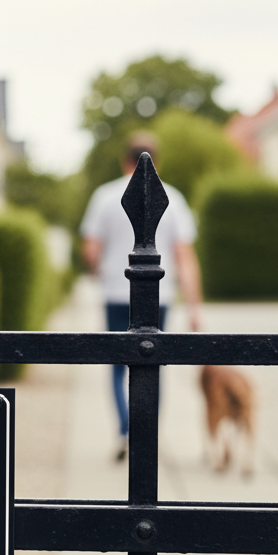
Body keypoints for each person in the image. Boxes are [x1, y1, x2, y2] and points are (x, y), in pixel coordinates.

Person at [81, 133, 202, 461]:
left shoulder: (105, 195)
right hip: (159, 295)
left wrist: (101, 270)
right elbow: (185, 256)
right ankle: (145, 435)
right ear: (156, 161)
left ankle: (124, 429)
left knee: (118, 366)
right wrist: (194, 306)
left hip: (117, 292)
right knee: (153, 363)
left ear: (125, 159)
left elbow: (91, 249)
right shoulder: (173, 198)